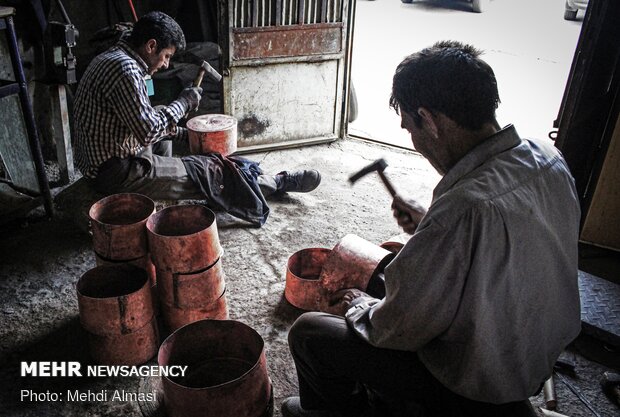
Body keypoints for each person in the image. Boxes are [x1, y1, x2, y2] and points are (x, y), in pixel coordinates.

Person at [282, 40, 581, 417]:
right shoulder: (547, 157)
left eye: (410, 127)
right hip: (534, 356)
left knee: (310, 333)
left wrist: (362, 308)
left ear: (430, 119)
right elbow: (507, 249)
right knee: (385, 270)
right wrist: (429, 225)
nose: (415, 140)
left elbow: (398, 328)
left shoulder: (463, 209)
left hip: (478, 386)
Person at [73, 11, 320, 226]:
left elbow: (142, 122)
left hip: (105, 157)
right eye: (167, 56)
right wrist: (184, 103)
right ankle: (276, 183)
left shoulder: (115, 55)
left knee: (159, 112)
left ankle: (165, 184)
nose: (166, 64)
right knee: (209, 172)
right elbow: (148, 132)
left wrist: (186, 133)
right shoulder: (125, 70)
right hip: (115, 171)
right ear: (150, 46)